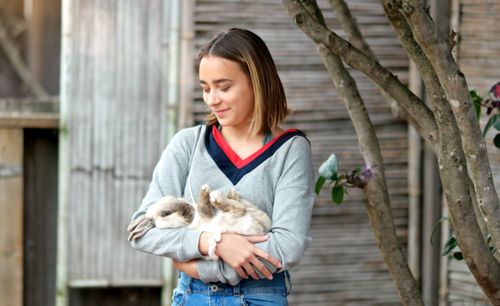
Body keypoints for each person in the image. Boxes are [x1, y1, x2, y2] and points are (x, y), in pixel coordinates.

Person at [130, 28, 315, 306]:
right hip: (191, 297)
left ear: (257, 82)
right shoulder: (188, 144)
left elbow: (288, 245)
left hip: (259, 298)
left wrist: (198, 267)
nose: (212, 99)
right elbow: (143, 230)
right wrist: (212, 243)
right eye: (206, 88)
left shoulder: (290, 150)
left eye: (224, 87)